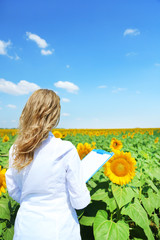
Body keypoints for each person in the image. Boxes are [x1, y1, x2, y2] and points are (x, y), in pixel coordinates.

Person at [5, 89, 91, 240]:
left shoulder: (16, 149)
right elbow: (80, 202)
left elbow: (14, 190)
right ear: (55, 117)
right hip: (59, 230)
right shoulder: (65, 150)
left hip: (25, 228)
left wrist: (32, 200)